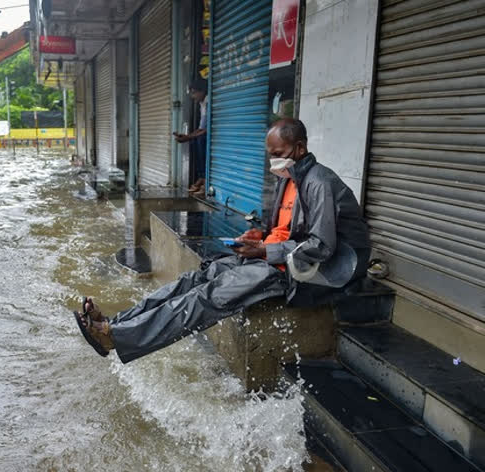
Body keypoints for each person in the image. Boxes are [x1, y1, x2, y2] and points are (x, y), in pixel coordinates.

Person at [75, 118, 371, 363]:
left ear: (300, 147)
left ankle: (115, 339)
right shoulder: (288, 178)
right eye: (270, 153)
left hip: (308, 271)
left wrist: (267, 250)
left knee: (209, 296)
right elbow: (285, 230)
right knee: (193, 279)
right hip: (278, 256)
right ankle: (114, 324)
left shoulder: (319, 182)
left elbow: (321, 246)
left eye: (278, 152)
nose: (273, 160)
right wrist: (259, 238)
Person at [173, 78, 209, 198]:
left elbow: (206, 130)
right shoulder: (202, 104)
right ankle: (202, 177)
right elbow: (201, 128)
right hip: (204, 133)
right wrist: (187, 137)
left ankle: (205, 179)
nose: (193, 96)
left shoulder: (209, 102)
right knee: (196, 140)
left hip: (211, 138)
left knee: (200, 140)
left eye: (194, 92)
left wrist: (188, 137)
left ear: (202, 91)